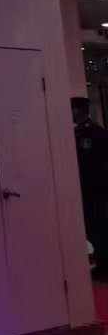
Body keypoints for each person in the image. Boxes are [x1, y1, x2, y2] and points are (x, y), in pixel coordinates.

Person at [73, 97, 108, 278]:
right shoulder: (86, 132)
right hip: (91, 188)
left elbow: (88, 159)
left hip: (95, 188)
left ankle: (105, 263)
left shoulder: (89, 134)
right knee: (93, 225)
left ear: (77, 111)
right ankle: (102, 260)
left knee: (97, 225)